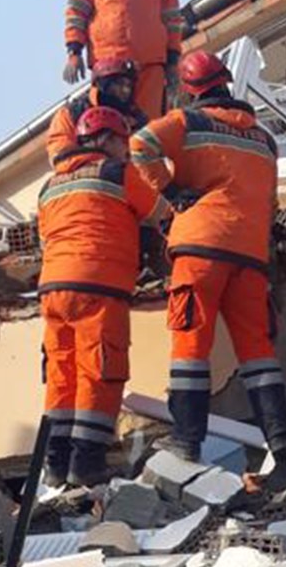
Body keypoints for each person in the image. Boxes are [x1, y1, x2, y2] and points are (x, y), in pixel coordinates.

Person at [129, 50, 286, 462]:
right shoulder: (264, 140)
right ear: (226, 82)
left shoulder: (189, 122)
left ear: (188, 91)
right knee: (258, 352)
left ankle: (186, 442)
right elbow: (271, 203)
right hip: (251, 254)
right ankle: (282, 443)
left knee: (191, 345)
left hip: (202, 247)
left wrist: (171, 192)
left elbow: (141, 144)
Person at [37, 106, 170, 486]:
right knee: (101, 371)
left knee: (62, 374)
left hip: (52, 288)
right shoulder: (117, 172)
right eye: (122, 142)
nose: (126, 150)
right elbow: (160, 210)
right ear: (108, 140)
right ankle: (87, 464)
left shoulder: (50, 184)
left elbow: (46, 235)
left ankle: (55, 464)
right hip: (98, 284)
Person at [47, 57, 147, 167]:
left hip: (127, 177)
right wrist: (100, 164)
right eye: (119, 84)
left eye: (128, 86)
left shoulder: (136, 117)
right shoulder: (71, 114)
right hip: (85, 176)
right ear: (103, 84)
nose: (125, 91)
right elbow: (60, 156)